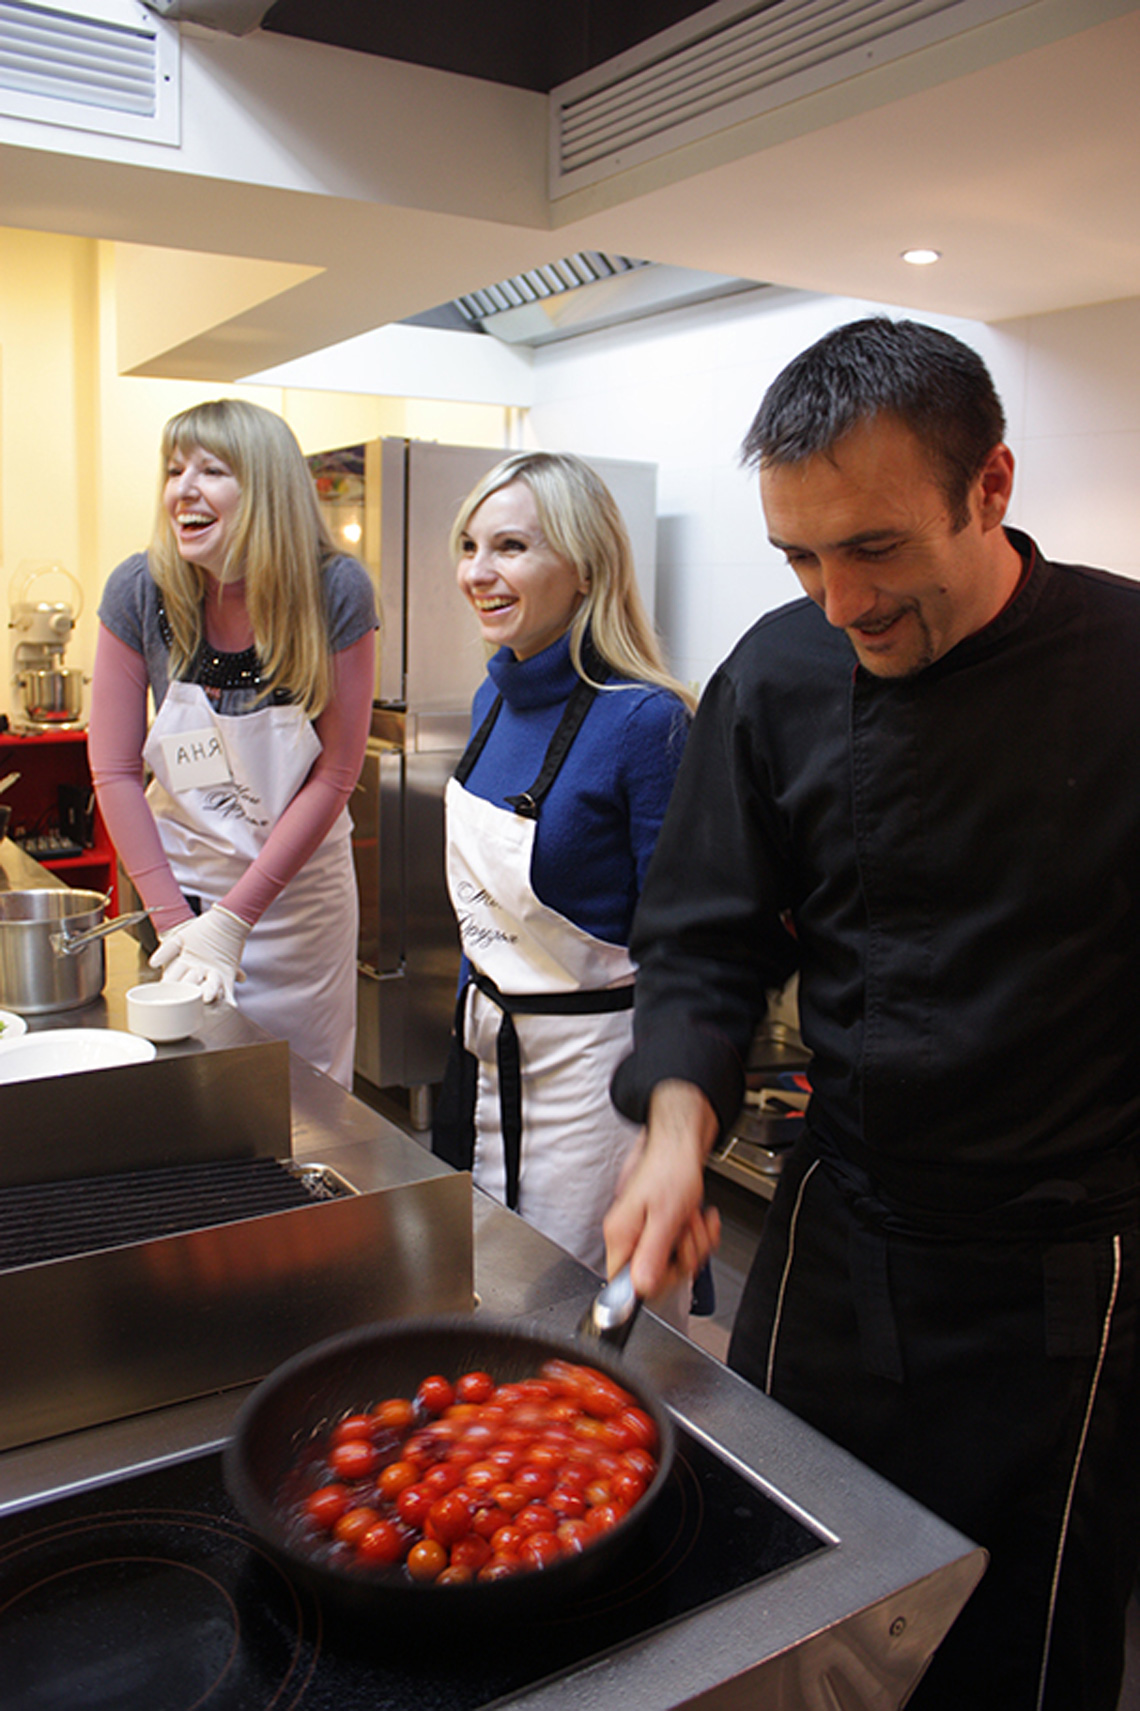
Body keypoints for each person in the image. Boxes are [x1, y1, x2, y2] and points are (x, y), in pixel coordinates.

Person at [604, 317, 1140, 1710]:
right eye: (800, 554)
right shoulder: (778, 676)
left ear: (992, 487)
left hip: (1065, 1279)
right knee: (776, 1606)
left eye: (877, 548)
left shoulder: (1128, 667)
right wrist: (676, 1127)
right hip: (838, 1248)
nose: (838, 599)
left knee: (1015, 1655)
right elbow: (705, 930)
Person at [431, 450, 694, 1273]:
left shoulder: (646, 723)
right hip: (481, 1051)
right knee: (478, 1298)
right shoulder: (490, 698)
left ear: (584, 568)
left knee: (571, 1322)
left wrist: (670, 1137)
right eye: (470, 547)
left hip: (593, 1085)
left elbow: (681, 952)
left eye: (510, 547)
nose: (479, 571)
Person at [88, 398, 377, 1088]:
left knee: (302, 1101)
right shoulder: (140, 589)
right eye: (173, 468)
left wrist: (236, 920)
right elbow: (113, 768)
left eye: (212, 469)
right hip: (181, 889)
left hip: (298, 903)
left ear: (268, 488)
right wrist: (174, 919)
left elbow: (336, 773)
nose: (182, 488)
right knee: (193, 1091)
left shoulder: (333, 590)